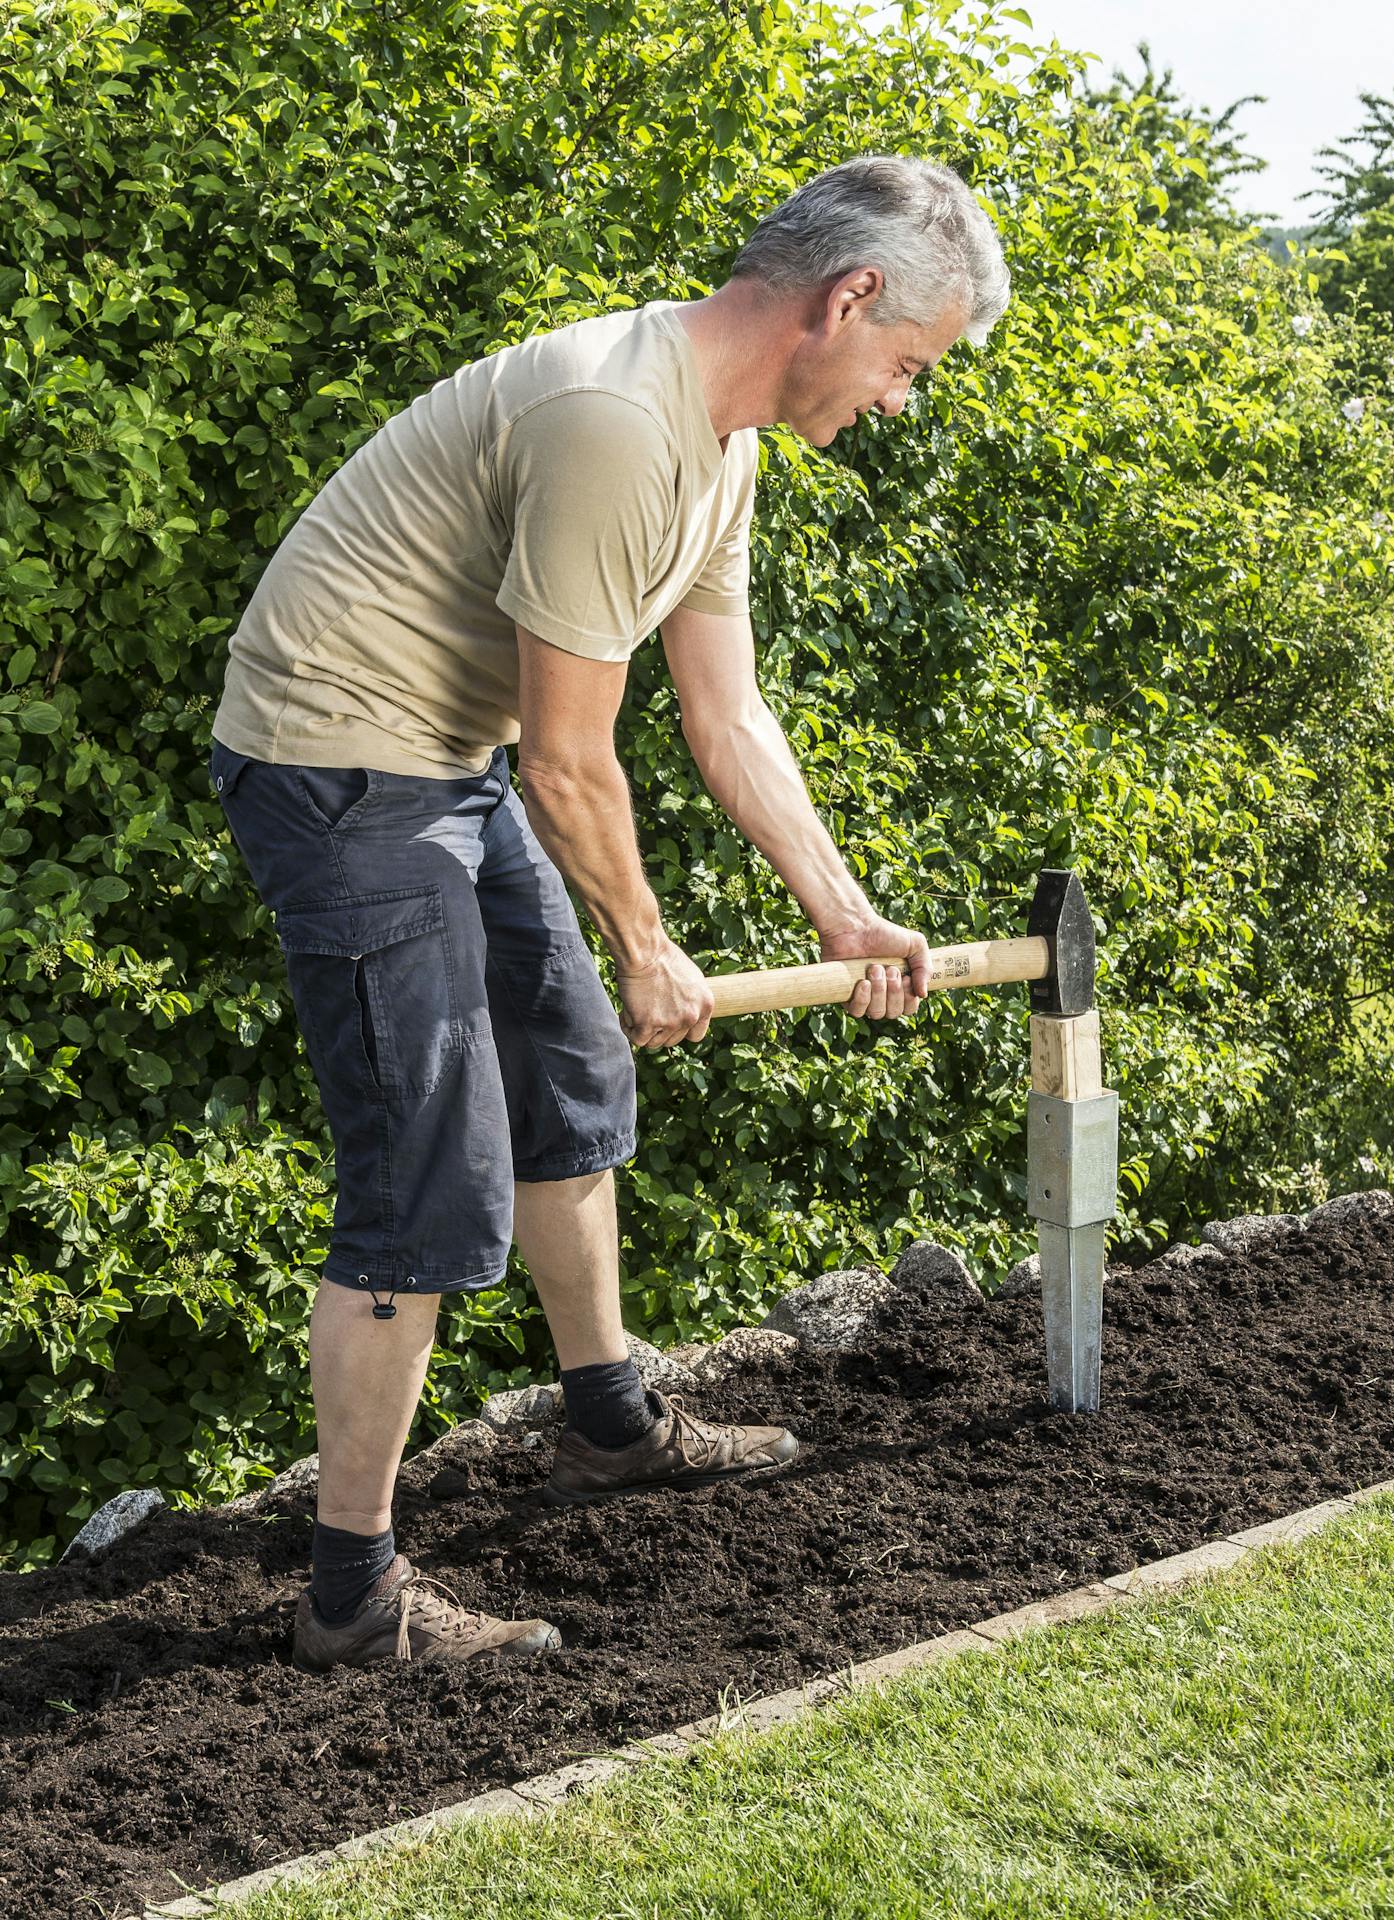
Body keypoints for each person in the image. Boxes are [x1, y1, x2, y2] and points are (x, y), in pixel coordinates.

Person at [207, 155, 1012, 1672]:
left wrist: (847, 914)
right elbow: (571, 761)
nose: (902, 398)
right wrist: (649, 944)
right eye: (908, 363)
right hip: (336, 761)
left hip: (442, 755)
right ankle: (352, 1598)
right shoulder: (612, 425)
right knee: (430, 1168)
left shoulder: (724, 438)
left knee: (572, 1074)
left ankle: (607, 1423)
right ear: (845, 303)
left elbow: (727, 714)